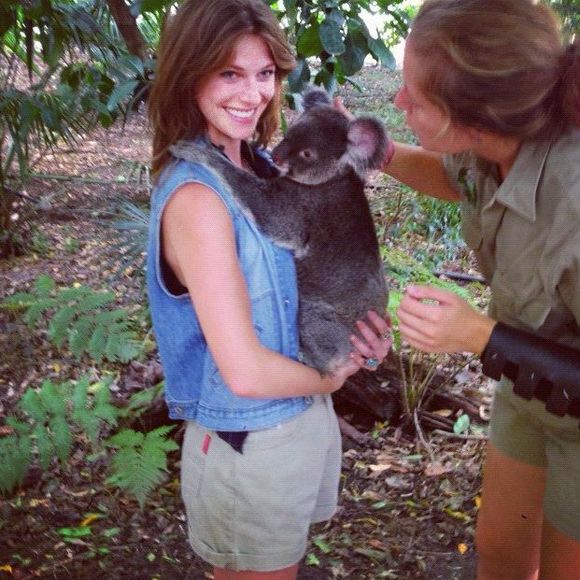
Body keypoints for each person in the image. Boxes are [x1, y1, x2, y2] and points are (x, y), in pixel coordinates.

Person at [145, 1, 391, 578]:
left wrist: (365, 342)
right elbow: (246, 373)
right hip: (250, 438)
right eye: (229, 73)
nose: (252, 93)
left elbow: (320, 263)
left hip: (300, 418)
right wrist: (335, 375)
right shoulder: (199, 197)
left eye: (265, 74)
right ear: (189, 74)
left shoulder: (260, 164)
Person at [377, 0, 580, 577]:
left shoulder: (574, 200)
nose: (398, 102)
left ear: (474, 120)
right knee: (501, 552)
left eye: (415, 99)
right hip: (531, 391)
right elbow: (453, 178)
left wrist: (482, 337)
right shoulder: (490, 148)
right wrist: (379, 152)